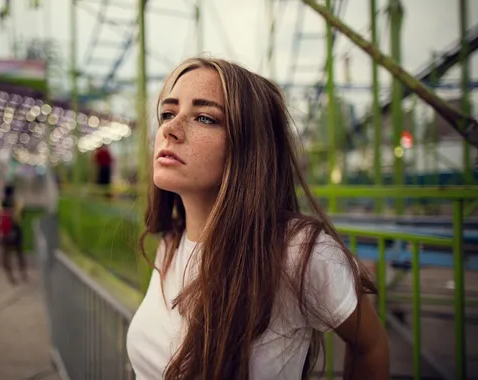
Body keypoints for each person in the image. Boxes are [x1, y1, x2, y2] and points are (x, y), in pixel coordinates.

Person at [126, 57, 389, 380]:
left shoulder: (298, 252)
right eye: (168, 113)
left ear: (250, 146)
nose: (170, 128)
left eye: (205, 118)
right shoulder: (170, 244)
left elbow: (370, 346)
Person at [0, 185, 27, 285]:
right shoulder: (18, 203)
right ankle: (23, 275)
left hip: (5, 232)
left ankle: (11, 278)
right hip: (16, 229)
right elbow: (22, 214)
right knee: (19, 253)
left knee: (6, 255)